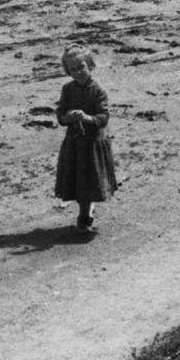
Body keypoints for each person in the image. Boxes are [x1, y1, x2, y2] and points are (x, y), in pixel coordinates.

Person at [53, 45, 117, 233]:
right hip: (74, 143)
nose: (78, 72)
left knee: (90, 180)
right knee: (77, 180)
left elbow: (103, 118)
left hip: (93, 144)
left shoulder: (98, 90)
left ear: (90, 65)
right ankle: (85, 210)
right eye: (73, 69)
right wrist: (67, 117)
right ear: (67, 71)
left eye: (81, 67)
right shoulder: (68, 89)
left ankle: (84, 216)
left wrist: (86, 118)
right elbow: (60, 114)